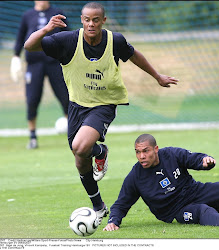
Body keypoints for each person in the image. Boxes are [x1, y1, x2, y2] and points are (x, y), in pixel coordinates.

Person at [24, 2, 179, 223]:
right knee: (80, 159)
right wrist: (47, 29)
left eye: (96, 20)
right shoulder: (67, 40)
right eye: (87, 20)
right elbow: (29, 46)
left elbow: (135, 55)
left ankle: (98, 151)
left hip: (104, 104)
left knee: (80, 146)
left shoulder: (114, 40)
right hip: (77, 105)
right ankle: (98, 205)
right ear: (81, 20)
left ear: (103, 21)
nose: (91, 24)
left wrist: (157, 77)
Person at [103, 134, 219, 231]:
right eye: (138, 152)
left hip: (197, 191)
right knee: (202, 211)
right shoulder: (135, 176)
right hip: (176, 210)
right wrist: (113, 222)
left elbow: (194, 158)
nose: (141, 156)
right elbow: (121, 204)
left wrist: (205, 161)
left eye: (146, 151)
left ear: (155, 149)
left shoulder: (171, 154)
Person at [11, 1, 70, 149]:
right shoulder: (27, 15)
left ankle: (73, 134)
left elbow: (69, 36)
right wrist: (16, 57)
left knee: (66, 98)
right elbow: (20, 38)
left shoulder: (58, 13)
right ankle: (32, 137)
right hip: (34, 64)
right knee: (32, 100)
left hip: (55, 63)